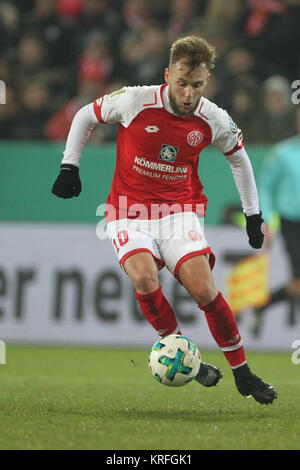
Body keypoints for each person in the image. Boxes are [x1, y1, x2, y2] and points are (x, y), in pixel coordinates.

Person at [52, 35, 277, 405]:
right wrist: (69, 165)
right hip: (129, 211)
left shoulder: (213, 118)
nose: (189, 94)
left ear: (208, 82)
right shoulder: (134, 100)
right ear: (167, 75)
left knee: (204, 289)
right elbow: (84, 115)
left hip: (178, 212)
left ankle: (243, 372)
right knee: (143, 277)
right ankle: (188, 360)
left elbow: (239, 158)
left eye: (198, 85)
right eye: (182, 84)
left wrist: (253, 214)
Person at [252, 105, 300, 336]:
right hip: (292, 223)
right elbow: (266, 188)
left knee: (297, 286)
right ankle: (262, 307)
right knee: (298, 284)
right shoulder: (283, 153)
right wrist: (268, 221)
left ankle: (263, 306)